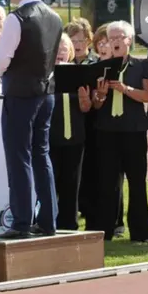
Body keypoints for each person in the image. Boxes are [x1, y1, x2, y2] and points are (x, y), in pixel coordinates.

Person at [0, 0, 63, 238]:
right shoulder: (54, 17)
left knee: (19, 156)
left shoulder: (17, 18)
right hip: (47, 93)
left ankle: (21, 222)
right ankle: (48, 220)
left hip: (20, 94)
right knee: (41, 154)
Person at [91, 21, 148, 242]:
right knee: (108, 182)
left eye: (120, 37)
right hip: (107, 130)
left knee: (137, 182)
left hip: (133, 130)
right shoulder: (102, 66)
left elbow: (147, 96)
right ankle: (105, 231)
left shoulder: (141, 65)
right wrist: (100, 95)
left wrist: (125, 89)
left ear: (129, 40)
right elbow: (96, 104)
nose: (115, 42)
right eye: (112, 38)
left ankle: (141, 232)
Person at [49, 34, 91, 230]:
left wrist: (85, 100)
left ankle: (69, 224)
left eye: (64, 48)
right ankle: (49, 222)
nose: (60, 52)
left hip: (75, 136)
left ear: (70, 52)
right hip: (51, 137)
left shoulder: (79, 73)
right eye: (57, 49)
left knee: (72, 184)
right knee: (52, 182)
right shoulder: (45, 73)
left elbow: (86, 107)